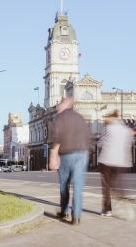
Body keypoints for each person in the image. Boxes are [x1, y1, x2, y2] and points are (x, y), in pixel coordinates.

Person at [49, 96, 92, 225]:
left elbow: (56, 137)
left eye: (59, 104)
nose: (57, 107)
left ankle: (64, 211)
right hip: (82, 153)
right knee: (78, 186)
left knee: (64, 185)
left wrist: (53, 155)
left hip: (66, 154)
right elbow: (88, 135)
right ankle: (76, 217)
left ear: (65, 105)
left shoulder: (60, 118)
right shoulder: (80, 117)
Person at [98, 110, 135, 219]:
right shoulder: (127, 130)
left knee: (107, 186)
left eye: (107, 117)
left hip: (107, 161)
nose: (105, 120)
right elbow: (130, 144)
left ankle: (107, 209)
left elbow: (100, 143)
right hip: (122, 162)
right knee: (118, 185)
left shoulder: (107, 128)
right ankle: (125, 203)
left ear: (111, 118)